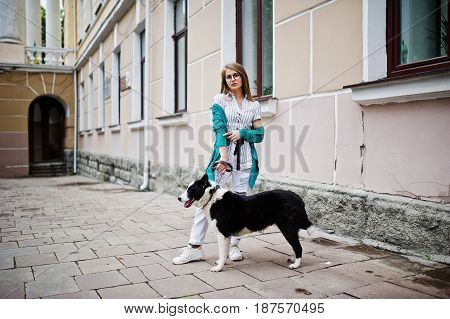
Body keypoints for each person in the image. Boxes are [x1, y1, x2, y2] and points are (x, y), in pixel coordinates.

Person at [173, 63, 265, 265]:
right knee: (204, 201)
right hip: (223, 159)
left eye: (236, 75)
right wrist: (223, 158)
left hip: (246, 160)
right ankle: (194, 247)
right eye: (228, 77)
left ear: (243, 77)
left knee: (241, 203)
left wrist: (243, 133)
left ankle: (233, 246)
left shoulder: (254, 105)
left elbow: (259, 135)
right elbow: (219, 129)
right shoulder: (220, 101)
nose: (232, 79)